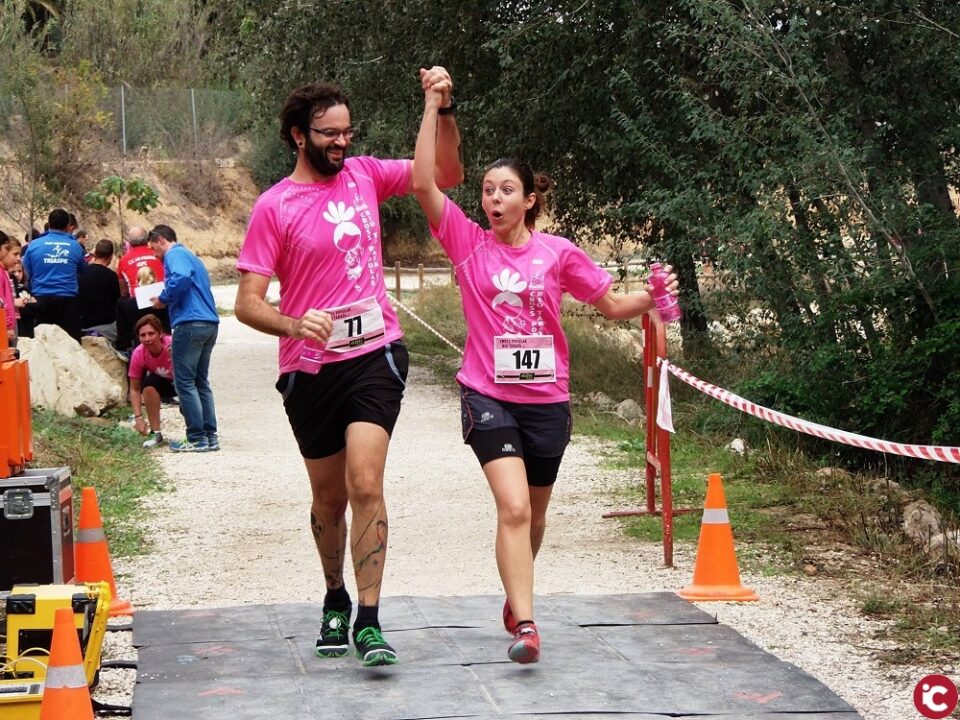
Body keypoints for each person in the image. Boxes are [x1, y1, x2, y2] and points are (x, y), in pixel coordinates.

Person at [411, 80, 680, 664]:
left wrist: (657, 298)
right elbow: (423, 182)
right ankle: (528, 625)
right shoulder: (467, 243)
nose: (494, 199)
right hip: (487, 395)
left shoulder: (558, 253)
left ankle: (516, 597)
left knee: (532, 517)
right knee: (512, 508)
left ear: (529, 199)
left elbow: (614, 305)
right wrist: (434, 105)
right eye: (487, 190)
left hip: (548, 401)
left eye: (506, 190)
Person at [234, 68, 463, 668]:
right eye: (329, 134)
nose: (341, 143)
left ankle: (369, 619)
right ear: (297, 136)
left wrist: (438, 109)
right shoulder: (274, 207)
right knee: (328, 498)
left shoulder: (364, 175)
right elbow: (247, 303)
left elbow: (441, 174)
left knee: (365, 483)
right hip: (309, 367)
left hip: (374, 354)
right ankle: (334, 594)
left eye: (346, 133)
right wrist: (293, 323)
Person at [147, 224, 220, 453]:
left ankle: (196, 437)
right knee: (200, 381)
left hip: (189, 322)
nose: (155, 255)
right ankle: (209, 435)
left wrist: (164, 298)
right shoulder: (191, 256)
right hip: (208, 322)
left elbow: (180, 277)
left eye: (154, 248)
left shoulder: (174, 255)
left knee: (184, 382)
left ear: (161, 240)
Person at [20, 208, 87, 341]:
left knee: (43, 343)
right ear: (68, 226)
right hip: (68, 301)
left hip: (40, 300)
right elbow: (81, 271)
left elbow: (26, 271)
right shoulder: (75, 246)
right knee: (71, 344)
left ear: (49, 224)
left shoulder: (34, 245)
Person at [128, 314, 176, 449]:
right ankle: (155, 433)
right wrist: (138, 418)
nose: (147, 339)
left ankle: (196, 432)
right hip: (165, 382)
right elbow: (134, 389)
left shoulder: (173, 344)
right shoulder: (139, 353)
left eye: (151, 334)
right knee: (148, 386)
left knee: (187, 395)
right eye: (143, 335)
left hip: (184, 381)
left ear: (160, 333)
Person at [79, 239, 121, 343]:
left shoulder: (81, 274)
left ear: (95, 254)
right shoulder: (111, 276)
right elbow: (117, 301)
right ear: (111, 256)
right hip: (106, 325)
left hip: (84, 324)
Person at [0, 231, 18, 346]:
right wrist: (7, 326)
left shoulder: (2, 271)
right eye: (5, 248)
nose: (6, 252)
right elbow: (1, 301)